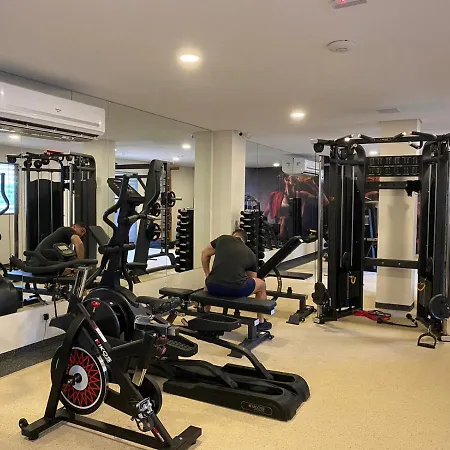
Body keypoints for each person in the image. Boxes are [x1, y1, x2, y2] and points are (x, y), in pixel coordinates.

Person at [201, 229, 272, 331]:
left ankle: (205, 314)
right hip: (236, 290)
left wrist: (207, 274)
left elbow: (204, 253)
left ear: (233, 235)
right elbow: (252, 278)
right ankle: (261, 322)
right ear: (244, 241)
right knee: (261, 284)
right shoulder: (251, 254)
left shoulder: (223, 239)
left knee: (210, 280)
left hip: (212, 287)